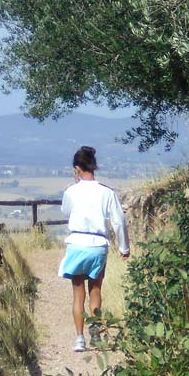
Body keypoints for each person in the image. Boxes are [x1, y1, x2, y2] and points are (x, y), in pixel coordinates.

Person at [58, 145, 129, 351]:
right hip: (98, 245)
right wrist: (124, 247)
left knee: (77, 293)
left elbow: (65, 211)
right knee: (95, 290)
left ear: (77, 168)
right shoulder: (106, 192)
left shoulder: (71, 191)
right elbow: (119, 221)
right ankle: (96, 333)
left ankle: (79, 338)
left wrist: (74, 182)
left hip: (77, 243)